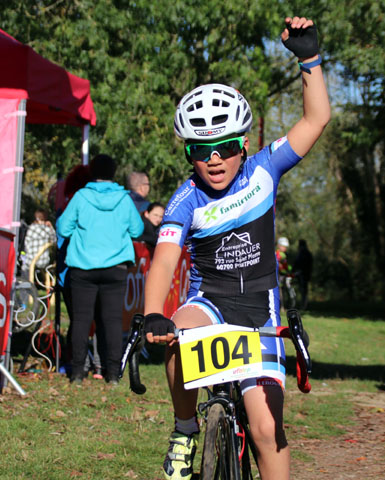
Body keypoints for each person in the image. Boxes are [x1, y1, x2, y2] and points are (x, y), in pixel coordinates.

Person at [142, 16, 330, 480]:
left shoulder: (266, 168)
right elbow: (165, 259)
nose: (213, 160)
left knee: (266, 429)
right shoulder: (186, 200)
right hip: (210, 303)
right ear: (188, 154)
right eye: (200, 151)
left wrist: (309, 60)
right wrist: (151, 314)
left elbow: (316, 118)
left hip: (259, 307)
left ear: (243, 144)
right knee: (179, 339)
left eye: (224, 147)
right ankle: (185, 429)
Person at [57, 154, 144, 385]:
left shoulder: (80, 197)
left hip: (82, 267)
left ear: (92, 172)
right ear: (114, 172)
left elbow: (63, 228)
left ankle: (76, 374)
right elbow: (137, 230)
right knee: (113, 321)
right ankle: (113, 375)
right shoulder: (124, 199)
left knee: (81, 321)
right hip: (115, 267)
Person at [21, 209, 57, 281]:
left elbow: (26, 244)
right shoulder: (47, 229)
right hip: (43, 260)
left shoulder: (31, 228)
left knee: (24, 268)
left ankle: (26, 291)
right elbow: (54, 240)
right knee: (46, 271)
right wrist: (51, 227)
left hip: (31, 260)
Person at [294, 239, 313, 309]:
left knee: (303, 290)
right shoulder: (307, 253)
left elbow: (297, 262)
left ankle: (304, 306)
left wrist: (295, 270)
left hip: (302, 273)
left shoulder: (302, 253)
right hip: (306, 273)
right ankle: (304, 305)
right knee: (304, 290)